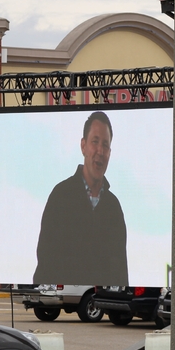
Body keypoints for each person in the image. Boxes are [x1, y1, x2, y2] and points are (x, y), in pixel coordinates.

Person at [33, 111, 128, 286]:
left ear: (110, 152)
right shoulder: (61, 196)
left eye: (105, 145)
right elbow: (45, 258)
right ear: (83, 146)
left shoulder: (113, 207)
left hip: (101, 303)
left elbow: (121, 270)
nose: (100, 150)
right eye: (95, 142)